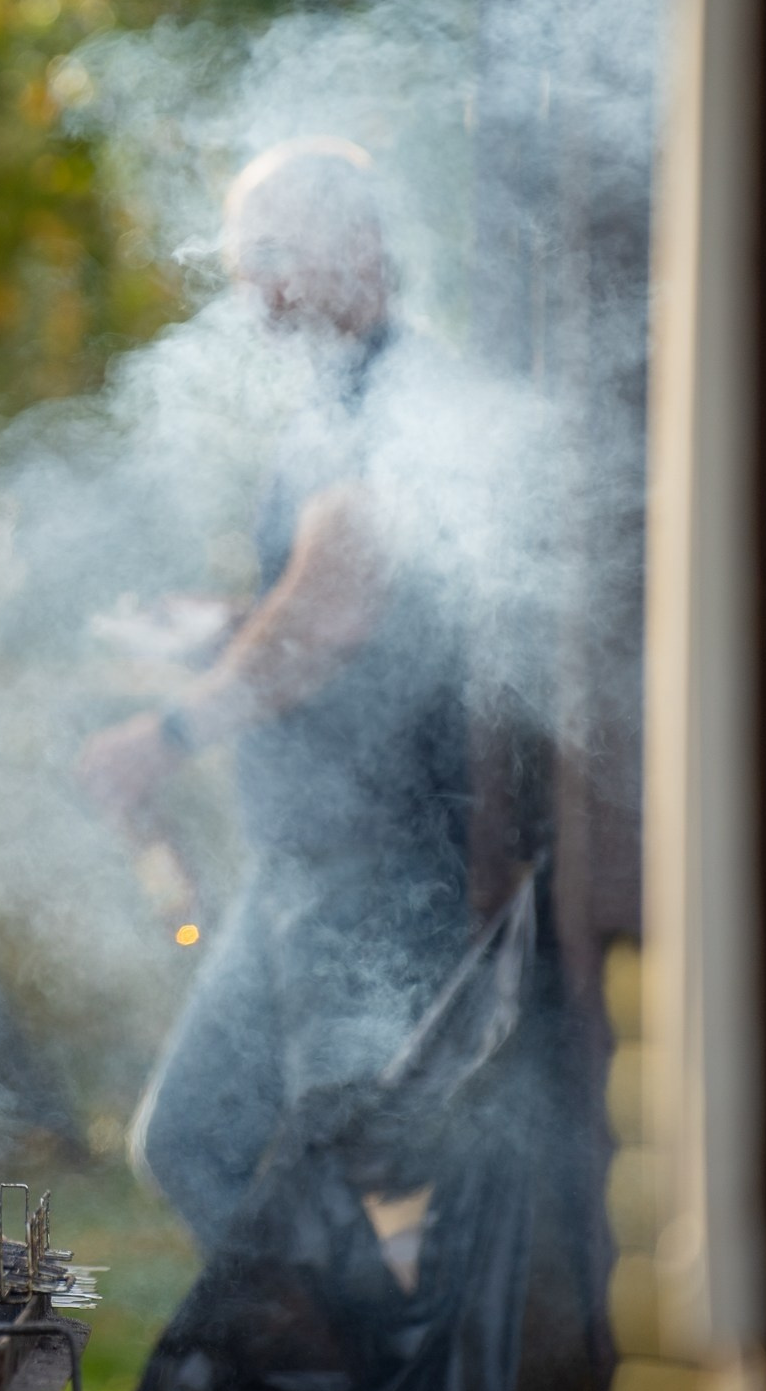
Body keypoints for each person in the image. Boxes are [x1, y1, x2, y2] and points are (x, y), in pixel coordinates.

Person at [77, 139, 473, 1257]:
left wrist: (166, 731)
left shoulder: (404, 391)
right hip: (298, 864)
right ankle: (303, 1384)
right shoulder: (330, 397)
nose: (251, 288)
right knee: (193, 1142)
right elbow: (331, 601)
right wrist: (217, 625)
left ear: (354, 248)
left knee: (343, 1189)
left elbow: (333, 610)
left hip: (379, 867)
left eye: (270, 255)